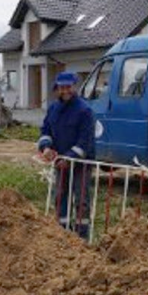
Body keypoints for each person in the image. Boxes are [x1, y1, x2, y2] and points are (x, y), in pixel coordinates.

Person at [37, 71, 95, 239]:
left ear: (74, 87)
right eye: (62, 87)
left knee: (82, 200)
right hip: (60, 162)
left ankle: (82, 238)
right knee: (60, 196)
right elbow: (45, 130)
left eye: (68, 87)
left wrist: (69, 157)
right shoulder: (53, 109)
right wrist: (46, 147)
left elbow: (85, 141)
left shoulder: (84, 111)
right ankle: (62, 234)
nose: (65, 91)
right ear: (57, 88)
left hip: (81, 163)